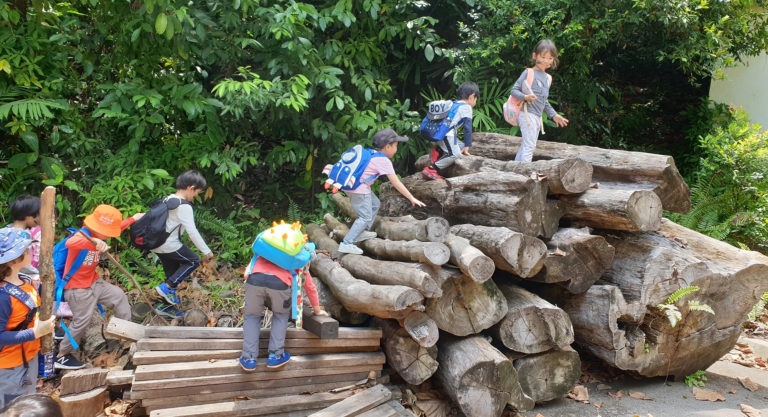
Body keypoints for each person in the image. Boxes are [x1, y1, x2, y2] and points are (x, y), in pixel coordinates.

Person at [55, 205, 141, 370]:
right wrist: (94, 241)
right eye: (107, 232)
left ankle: (125, 335)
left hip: (94, 282)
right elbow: (71, 242)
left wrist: (133, 219)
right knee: (81, 322)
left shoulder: (103, 235)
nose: (110, 235)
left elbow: (120, 226)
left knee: (118, 296)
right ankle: (62, 354)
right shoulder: (82, 235)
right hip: (77, 288)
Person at [239, 226, 329, 371]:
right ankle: (275, 356)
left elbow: (247, 272)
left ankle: (248, 358)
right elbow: (310, 286)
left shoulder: (266, 249)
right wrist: (317, 310)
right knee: (280, 316)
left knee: (251, 316)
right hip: (279, 285)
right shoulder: (297, 258)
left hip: (254, 280)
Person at [338, 128, 426, 254]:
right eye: (396, 146)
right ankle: (347, 242)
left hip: (353, 186)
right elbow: (396, 182)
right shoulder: (383, 160)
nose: (396, 149)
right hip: (358, 189)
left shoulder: (371, 153)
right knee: (365, 217)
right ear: (387, 147)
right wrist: (411, 198)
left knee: (375, 204)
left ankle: (362, 232)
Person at [0, 228, 55, 409]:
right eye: (25, 250)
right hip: (10, 368)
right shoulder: (3, 297)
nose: (30, 252)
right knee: (13, 409)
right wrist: (34, 333)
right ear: (13, 260)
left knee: (27, 404)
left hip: (29, 359)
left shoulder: (28, 282)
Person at [152, 170, 214, 308]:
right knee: (193, 261)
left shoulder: (166, 199)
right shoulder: (184, 206)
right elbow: (192, 232)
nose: (196, 196)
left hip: (158, 245)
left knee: (172, 275)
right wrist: (207, 251)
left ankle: (166, 308)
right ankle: (165, 288)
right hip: (169, 245)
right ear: (191, 188)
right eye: (197, 192)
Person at [509, 39, 569, 162]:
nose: (546, 61)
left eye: (550, 58)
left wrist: (554, 115)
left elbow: (544, 101)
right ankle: (525, 174)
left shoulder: (548, 78)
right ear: (534, 56)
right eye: (543, 57)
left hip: (537, 116)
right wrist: (525, 97)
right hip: (526, 114)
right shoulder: (528, 72)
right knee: (529, 145)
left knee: (528, 144)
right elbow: (514, 91)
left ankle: (515, 170)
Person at [421, 81, 480, 180]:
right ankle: (431, 169)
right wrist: (467, 145)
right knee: (456, 154)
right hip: (446, 134)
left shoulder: (453, 104)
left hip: (439, 132)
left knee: (459, 146)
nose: (475, 102)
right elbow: (467, 128)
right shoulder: (467, 108)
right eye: (476, 99)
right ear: (472, 96)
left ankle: (438, 151)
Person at [7, 195, 42, 279]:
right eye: (39, 214)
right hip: (20, 278)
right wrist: (37, 275)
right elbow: (24, 265)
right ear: (29, 216)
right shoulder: (23, 236)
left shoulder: (5, 231)